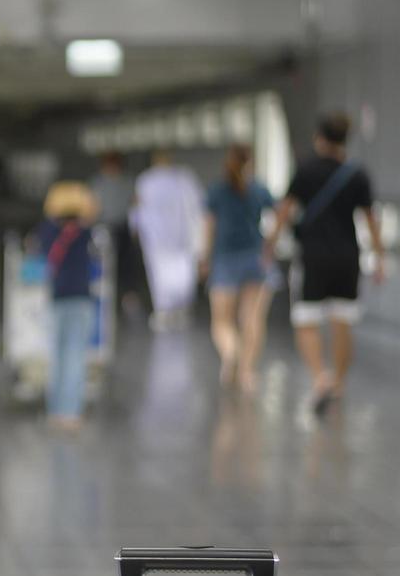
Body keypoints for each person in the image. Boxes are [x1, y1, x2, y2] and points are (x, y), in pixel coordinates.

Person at [265, 111, 386, 415]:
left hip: (313, 256)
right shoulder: (357, 174)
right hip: (348, 256)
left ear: (319, 138)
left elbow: (284, 210)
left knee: (306, 320)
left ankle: (320, 376)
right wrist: (380, 257)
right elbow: (371, 219)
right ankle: (339, 381)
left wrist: (269, 245)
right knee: (342, 321)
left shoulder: (305, 170)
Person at [201, 144, 277, 392]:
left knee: (221, 321)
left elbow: (209, 228)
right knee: (252, 320)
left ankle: (230, 352)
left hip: (225, 260)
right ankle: (247, 372)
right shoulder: (259, 189)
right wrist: (269, 245)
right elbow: (281, 214)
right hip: (255, 259)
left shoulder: (216, 191)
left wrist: (205, 257)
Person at [32, 181, 99, 433]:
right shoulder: (86, 232)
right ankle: (71, 413)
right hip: (81, 298)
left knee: (57, 357)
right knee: (76, 357)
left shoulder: (47, 231)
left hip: (57, 297)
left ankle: (55, 410)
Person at [132, 149, 204, 331]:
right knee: (182, 272)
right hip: (182, 236)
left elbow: (137, 209)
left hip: (157, 239)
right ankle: (181, 309)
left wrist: (135, 228)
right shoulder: (184, 179)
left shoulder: (146, 181)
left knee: (160, 274)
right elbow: (199, 205)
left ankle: (165, 311)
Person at [90, 152, 141, 315]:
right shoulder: (97, 183)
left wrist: (136, 227)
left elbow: (135, 204)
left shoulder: (127, 182)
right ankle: (104, 298)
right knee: (104, 264)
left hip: (123, 226)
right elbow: (92, 206)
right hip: (103, 227)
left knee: (126, 265)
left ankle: (128, 297)